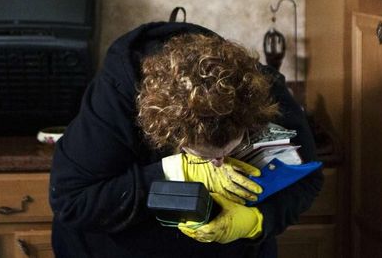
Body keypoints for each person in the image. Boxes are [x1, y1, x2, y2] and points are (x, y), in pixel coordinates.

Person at [49, 21, 323, 257]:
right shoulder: (116, 97)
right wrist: (170, 173)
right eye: (205, 155)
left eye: (231, 149)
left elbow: (307, 179)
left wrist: (256, 221)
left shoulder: (262, 89)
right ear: (169, 133)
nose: (218, 163)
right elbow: (71, 202)